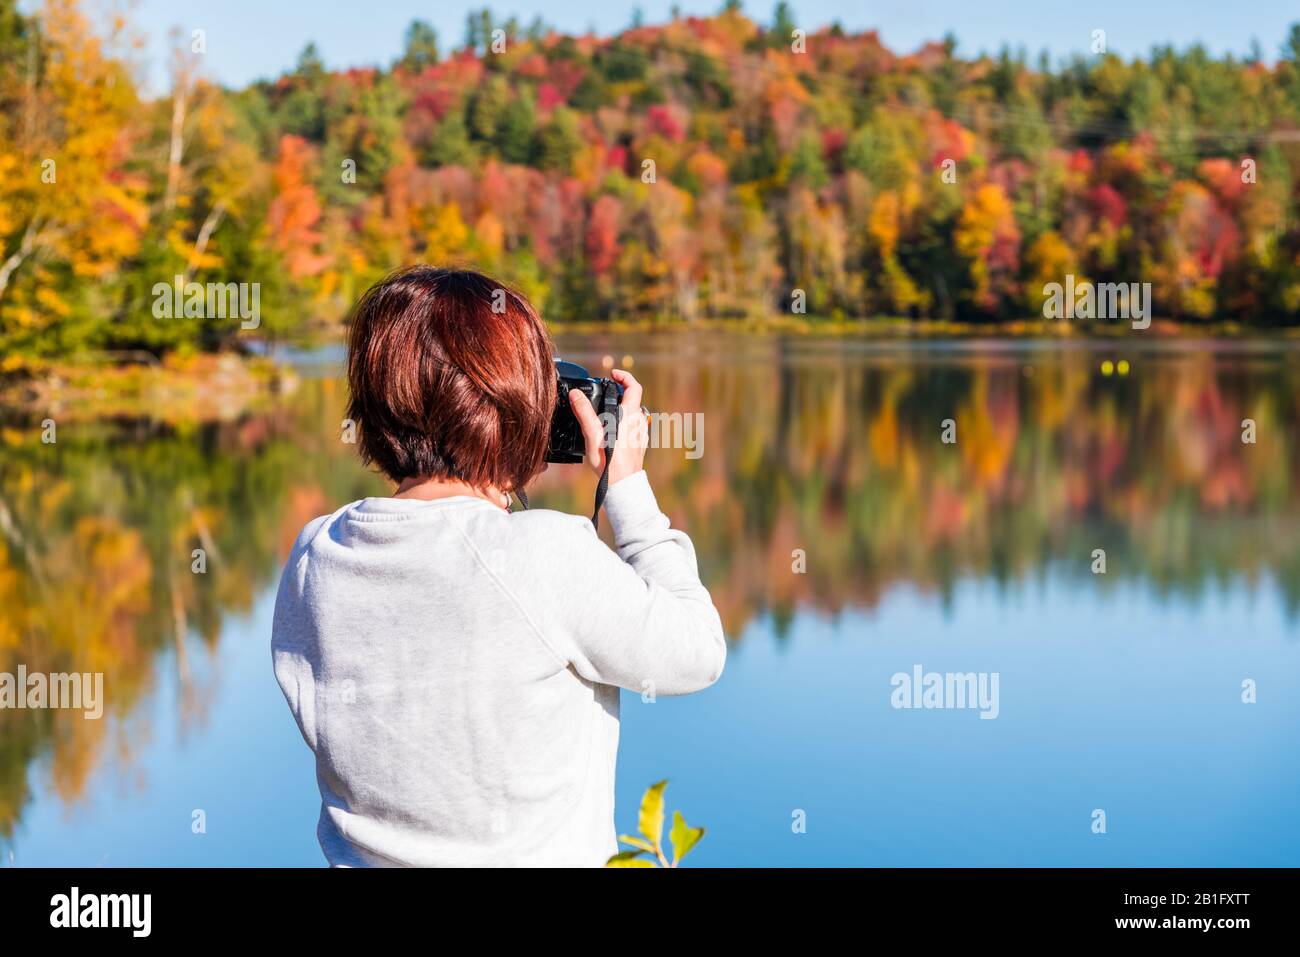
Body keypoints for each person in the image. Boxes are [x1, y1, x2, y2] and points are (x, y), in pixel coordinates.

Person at [271, 266, 726, 867]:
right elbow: (697, 652)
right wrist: (628, 489)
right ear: (506, 407)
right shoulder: (543, 554)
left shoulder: (314, 555)